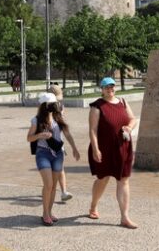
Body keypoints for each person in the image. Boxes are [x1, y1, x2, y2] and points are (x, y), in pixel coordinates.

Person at [88, 77, 138, 229]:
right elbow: (92, 130)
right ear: (101, 89)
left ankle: (124, 217)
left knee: (124, 180)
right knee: (103, 179)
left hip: (123, 147)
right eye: (106, 87)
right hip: (104, 148)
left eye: (112, 86)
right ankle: (93, 206)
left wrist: (129, 127)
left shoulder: (122, 102)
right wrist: (96, 148)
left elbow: (132, 119)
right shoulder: (97, 106)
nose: (110, 89)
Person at [27, 92, 80, 226]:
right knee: (48, 184)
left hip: (58, 154)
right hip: (42, 153)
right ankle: (45, 214)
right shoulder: (36, 120)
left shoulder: (58, 117)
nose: (54, 106)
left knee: (54, 186)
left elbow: (67, 134)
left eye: (54, 103)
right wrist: (40, 135)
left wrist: (74, 147)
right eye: (51, 104)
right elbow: (29, 138)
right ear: (45, 106)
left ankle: (49, 212)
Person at [47, 84, 73, 202]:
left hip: (57, 143)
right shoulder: (47, 108)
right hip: (48, 144)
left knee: (59, 168)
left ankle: (63, 192)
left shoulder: (59, 106)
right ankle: (54, 190)